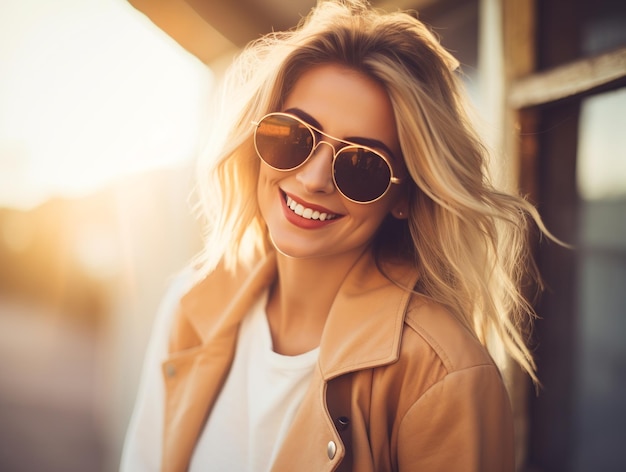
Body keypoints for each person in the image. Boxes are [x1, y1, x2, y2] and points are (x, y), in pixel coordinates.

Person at [121, 1, 551, 470]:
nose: (314, 179)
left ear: (405, 195)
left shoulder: (442, 377)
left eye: (363, 163)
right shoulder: (193, 303)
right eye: (295, 135)